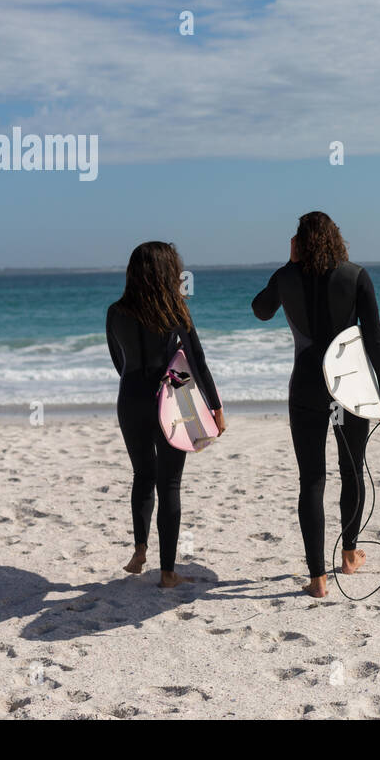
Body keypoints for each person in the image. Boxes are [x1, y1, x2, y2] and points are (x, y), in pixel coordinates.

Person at [252, 212, 380, 598]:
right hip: (349, 390)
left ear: (299, 242)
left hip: (306, 389)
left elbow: (260, 309)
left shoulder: (287, 277)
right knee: (352, 473)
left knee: (312, 481)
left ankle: (317, 580)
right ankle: (348, 556)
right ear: (336, 238)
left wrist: (288, 264)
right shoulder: (355, 275)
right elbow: (376, 338)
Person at [106, 241, 225, 588]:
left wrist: (137, 387)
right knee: (169, 483)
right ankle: (168, 573)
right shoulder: (175, 311)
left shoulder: (115, 311)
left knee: (143, 474)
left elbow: (119, 360)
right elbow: (197, 362)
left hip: (130, 397)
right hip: (170, 399)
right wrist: (214, 407)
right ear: (167, 272)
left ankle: (140, 549)